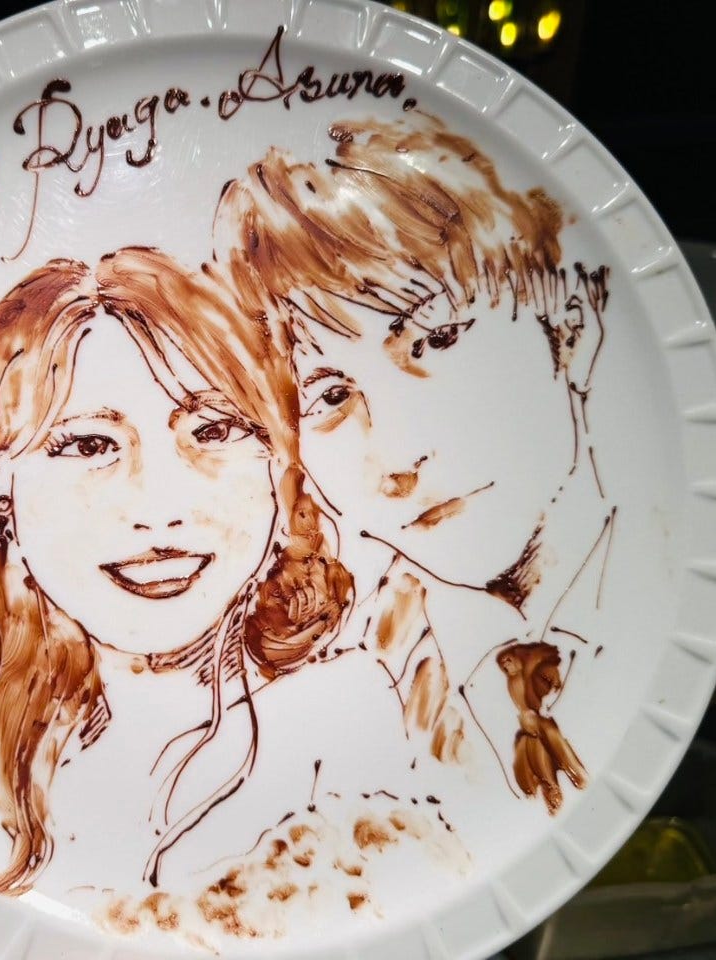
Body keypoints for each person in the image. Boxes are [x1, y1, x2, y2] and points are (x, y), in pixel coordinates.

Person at [213, 110, 613, 812]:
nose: (398, 457)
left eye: (437, 339)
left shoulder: (666, 604)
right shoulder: (320, 715)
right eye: (331, 396)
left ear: (568, 330)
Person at [0, 247, 354, 896]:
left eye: (213, 431)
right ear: (0, 496)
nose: (160, 508)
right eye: (88, 445)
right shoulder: (13, 757)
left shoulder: (351, 734)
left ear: (281, 470)